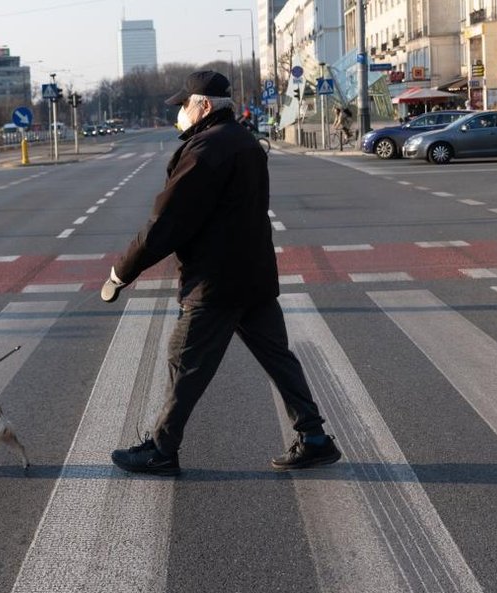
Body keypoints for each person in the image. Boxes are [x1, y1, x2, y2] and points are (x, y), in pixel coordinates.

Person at [101, 70, 341, 476]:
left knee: (186, 364)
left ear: (204, 106)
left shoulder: (205, 150)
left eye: (183, 105)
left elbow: (165, 224)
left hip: (215, 282)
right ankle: (314, 437)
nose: (179, 113)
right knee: (278, 358)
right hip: (255, 275)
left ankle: (161, 449)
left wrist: (121, 273)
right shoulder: (245, 141)